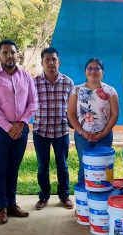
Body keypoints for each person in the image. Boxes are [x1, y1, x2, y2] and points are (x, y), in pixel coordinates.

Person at [0, 40, 38, 224]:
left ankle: (12, 204)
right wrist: (8, 127)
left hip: (21, 128)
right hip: (0, 129)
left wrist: (21, 123)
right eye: (5, 52)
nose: (9, 56)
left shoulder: (26, 76)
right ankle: (2, 207)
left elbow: (33, 102)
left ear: (18, 55)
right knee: (0, 167)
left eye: (12, 52)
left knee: (13, 167)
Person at [33, 47, 74, 210]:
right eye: (47, 60)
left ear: (59, 62)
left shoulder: (68, 82)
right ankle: (43, 196)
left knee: (62, 166)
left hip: (61, 131)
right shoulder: (34, 82)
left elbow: (72, 107)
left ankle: (64, 196)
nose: (51, 63)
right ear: (42, 62)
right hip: (40, 131)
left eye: (54, 60)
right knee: (42, 166)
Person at [67, 58, 118, 184]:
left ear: (103, 72)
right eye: (90, 68)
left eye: (97, 68)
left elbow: (114, 114)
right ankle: (83, 200)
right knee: (85, 167)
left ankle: (101, 200)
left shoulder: (110, 91)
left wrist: (104, 133)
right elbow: (71, 113)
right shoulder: (76, 90)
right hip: (82, 136)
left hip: (104, 136)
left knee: (102, 167)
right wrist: (82, 132)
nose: (93, 71)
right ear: (85, 72)